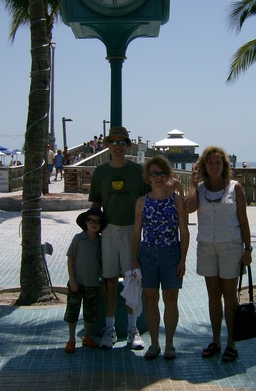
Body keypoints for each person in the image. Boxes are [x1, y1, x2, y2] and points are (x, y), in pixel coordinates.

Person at [184, 146, 252, 363]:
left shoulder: (235, 188)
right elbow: (189, 208)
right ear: (204, 166)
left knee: (229, 296)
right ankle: (216, 341)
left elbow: (243, 220)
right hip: (207, 246)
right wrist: (193, 184)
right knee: (213, 294)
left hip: (230, 246)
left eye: (218, 162)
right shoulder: (201, 189)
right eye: (210, 162)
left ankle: (232, 343)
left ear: (224, 165)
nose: (214, 166)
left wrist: (248, 249)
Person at [88, 126, 151, 350]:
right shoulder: (100, 172)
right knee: (109, 282)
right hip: (108, 231)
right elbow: (95, 205)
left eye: (121, 142)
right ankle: (110, 329)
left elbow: (149, 200)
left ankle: (133, 330)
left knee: (133, 280)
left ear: (128, 145)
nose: (117, 146)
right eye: (113, 142)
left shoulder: (138, 171)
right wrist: (90, 232)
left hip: (132, 231)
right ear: (107, 145)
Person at [131, 156, 189, 360]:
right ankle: (154, 344)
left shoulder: (177, 201)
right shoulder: (141, 202)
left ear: (168, 175)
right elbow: (137, 232)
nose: (158, 177)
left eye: (162, 173)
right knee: (150, 299)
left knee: (170, 299)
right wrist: (134, 258)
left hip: (171, 253)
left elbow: (184, 231)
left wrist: (182, 259)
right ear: (148, 176)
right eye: (154, 173)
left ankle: (170, 344)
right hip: (147, 254)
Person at [64, 208, 107, 353]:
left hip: (93, 283)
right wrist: (72, 280)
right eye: (90, 221)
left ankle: (86, 337)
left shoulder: (101, 242)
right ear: (85, 222)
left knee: (90, 313)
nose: (94, 224)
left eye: (97, 222)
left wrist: (103, 281)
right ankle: (71, 339)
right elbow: (70, 259)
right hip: (78, 282)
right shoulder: (78, 239)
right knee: (72, 312)